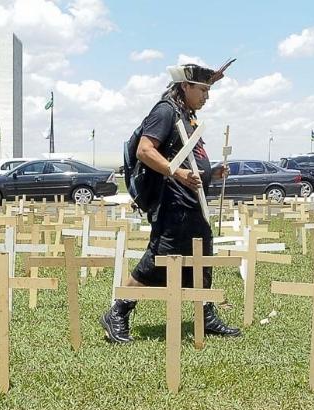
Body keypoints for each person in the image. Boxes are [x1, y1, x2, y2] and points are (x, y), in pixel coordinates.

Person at [101, 62, 241, 344]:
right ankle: (118, 311)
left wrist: (210, 173)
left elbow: (187, 158)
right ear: (185, 86)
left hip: (192, 203)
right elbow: (144, 150)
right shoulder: (165, 111)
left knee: (202, 257)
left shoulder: (186, 114)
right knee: (159, 259)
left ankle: (204, 313)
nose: (207, 96)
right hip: (172, 203)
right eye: (202, 90)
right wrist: (177, 172)